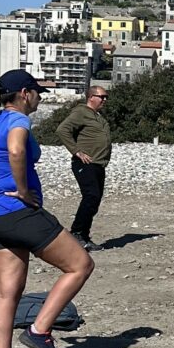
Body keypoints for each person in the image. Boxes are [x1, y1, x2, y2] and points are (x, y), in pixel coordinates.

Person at [0, 70, 96, 348]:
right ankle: (39, 330)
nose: (38, 99)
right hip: (20, 213)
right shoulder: (17, 120)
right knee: (80, 265)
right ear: (24, 93)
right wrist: (21, 189)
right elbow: (18, 150)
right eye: (37, 93)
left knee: (7, 295)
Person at [56, 85, 112, 251]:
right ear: (91, 97)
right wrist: (77, 151)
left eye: (106, 97)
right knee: (91, 196)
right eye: (102, 96)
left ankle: (84, 236)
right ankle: (76, 234)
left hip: (98, 164)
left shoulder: (97, 116)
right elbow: (62, 130)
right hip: (85, 163)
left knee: (95, 200)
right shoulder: (81, 112)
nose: (105, 100)